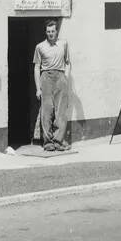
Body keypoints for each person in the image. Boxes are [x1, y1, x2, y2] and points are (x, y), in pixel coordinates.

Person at [33, 18, 71, 151]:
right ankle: (48, 141)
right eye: (48, 31)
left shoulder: (64, 44)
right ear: (45, 32)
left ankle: (58, 141)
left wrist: (65, 78)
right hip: (46, 77)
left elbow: (67, 63)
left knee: (61, 111)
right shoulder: (40, 47)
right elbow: (37, 67)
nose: (51, 33)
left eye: (53, 31)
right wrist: (38, 88)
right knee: (47, 110)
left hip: (60, 77)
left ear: (56, 31)